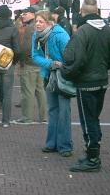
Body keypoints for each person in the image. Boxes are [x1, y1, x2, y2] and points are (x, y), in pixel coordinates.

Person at [62, 0, 110, 172]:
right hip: (101, 81)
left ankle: (93, 158)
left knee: (88, 121)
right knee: (94, 118)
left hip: (86, 82)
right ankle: (91, 154)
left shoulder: (82, 32)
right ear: (97, 11)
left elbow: (74, 59)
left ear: (82, 12)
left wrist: (68, 74)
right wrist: (102, 68)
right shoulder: (109, 31)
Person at [32, 10, 73, 157]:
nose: (37, 24)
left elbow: (70, 56)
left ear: (49, 23)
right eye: (36, 21)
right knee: (53, 110)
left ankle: (65, 145)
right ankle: (51, 143)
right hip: (48, 75)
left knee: (64, 111)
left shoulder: (61, 36)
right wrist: (50, 64)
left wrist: (60, 65)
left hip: (63, 76)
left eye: (41, 21)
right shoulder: (36, 36)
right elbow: (35, 56)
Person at [14, 7, 47, 125]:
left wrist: (20, 62)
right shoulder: (45, 26)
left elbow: (25, 48)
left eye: (25, 13)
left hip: (29, 63)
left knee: (27, 91)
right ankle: (44, 117)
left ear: (33, 14)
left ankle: (27, 117)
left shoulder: (29, 28)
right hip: (41, 63)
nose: (23, 15)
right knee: (40, 90)